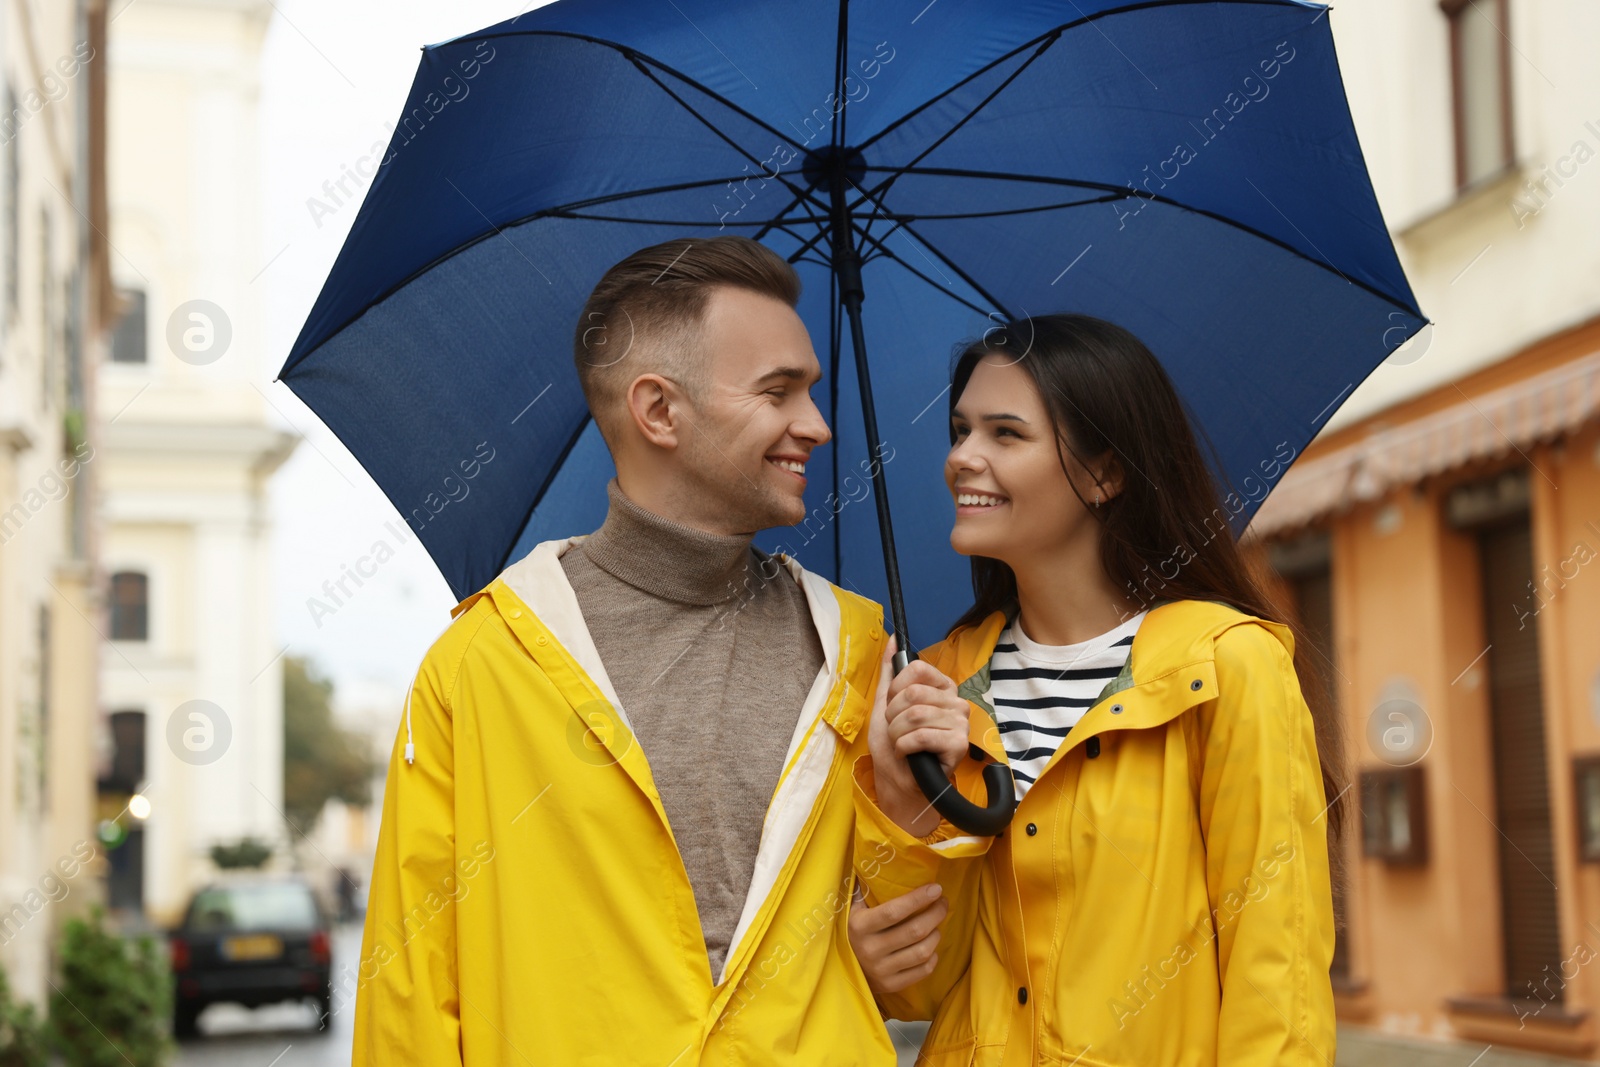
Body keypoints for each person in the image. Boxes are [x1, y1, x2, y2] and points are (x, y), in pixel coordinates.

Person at [353, 236, 901, 1065]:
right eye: (778, 391)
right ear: (659, 411)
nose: (816, 426)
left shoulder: (862, 650)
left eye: (811, 392)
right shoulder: (480, 665)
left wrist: (926, 824)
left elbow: (926, 966)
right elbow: (409, 999)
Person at [844, 314, 1346, 1067]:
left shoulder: (1223, 667)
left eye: (1005, 434)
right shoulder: (935, 683)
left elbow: (1278, 971)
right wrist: (906, 801)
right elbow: (918, 992)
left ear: (1107, 473)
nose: (961, 458)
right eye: (959, 430)